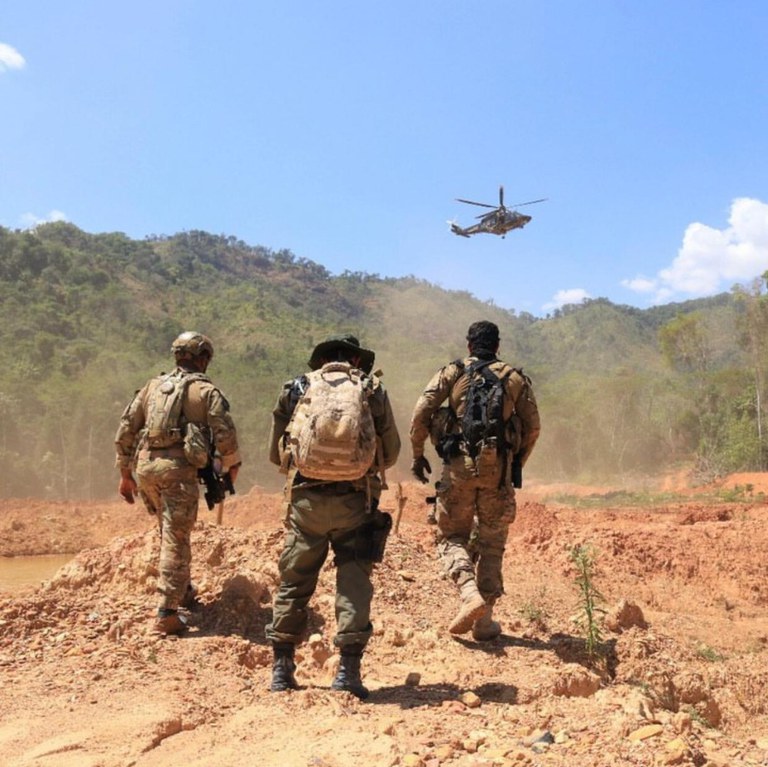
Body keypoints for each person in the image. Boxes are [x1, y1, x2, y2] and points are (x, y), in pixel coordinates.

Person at [266, 334, 400, 699]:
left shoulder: (296, 388)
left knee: (294, 582)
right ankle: (347, 674)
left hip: (305, 504)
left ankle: (281, 671)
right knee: (353, 583)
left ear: (322, 360)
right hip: (355, 503)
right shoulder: (372, 390)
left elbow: (277, 455)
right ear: (356, 361)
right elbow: (390, 453)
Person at [409, 320, 540, 640]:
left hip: (458, 467)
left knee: (450, 536)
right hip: (498, 470)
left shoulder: (453, 372)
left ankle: (469, 594)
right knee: (493, 543)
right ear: (497, 346)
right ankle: (484, 622)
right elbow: (533, 427)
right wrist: (515, 464)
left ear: (469, 345)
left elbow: (422, 411)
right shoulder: (514, 378)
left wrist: (418, 454)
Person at [115, 331, 242, 636]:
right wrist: (232, 465)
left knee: (168, 529)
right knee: (176, 536)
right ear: (203, 358)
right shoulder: (205, 391)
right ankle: (167, 613)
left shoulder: (152, 387)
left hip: (146, 468)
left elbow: (126, 429)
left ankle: (182, 590)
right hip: (177, 473)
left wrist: (125, 474)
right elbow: (224, 433)